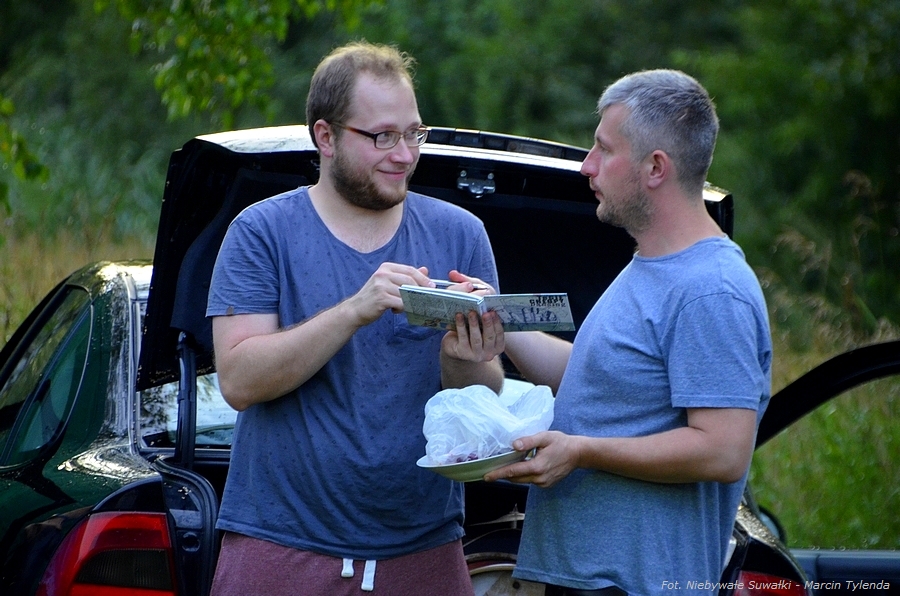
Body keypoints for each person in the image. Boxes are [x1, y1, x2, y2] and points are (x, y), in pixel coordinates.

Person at [206, 41, 504, 596]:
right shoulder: (261, 231)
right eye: (383, 136)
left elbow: (483, 400)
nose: (405, 154)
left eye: (414, 133)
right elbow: (240, 381)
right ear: (326, 137)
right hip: (280, 547)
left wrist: (463, 360)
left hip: (425, 549)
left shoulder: (461, 233)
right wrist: (354, 310)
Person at [480, 70, 773, 595]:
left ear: (655, 167)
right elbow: (595, 379)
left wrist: (581, 451)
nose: (587, 166)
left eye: (603, 149)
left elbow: (723, 450)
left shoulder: (711, 288)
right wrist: (496, 317)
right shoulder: (651, 264)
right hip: (588, 579)